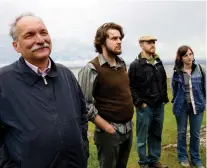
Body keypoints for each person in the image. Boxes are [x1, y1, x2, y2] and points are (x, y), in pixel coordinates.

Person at [0, 13, 88, 168]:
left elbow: (81, 117)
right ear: (16, 46)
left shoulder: (66, 75)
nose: (40, 40)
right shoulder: (3, 81)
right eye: (29, 35)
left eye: (43, 32)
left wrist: (83, 149)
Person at [78, 22, 134, 168]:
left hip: (128, 129)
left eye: (120, 38)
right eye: (114, 38)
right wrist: (108, 128)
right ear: (102, 42)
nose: (119, 41)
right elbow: (84, 104)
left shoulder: (122, 64)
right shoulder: (92, 68)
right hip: (109, 133)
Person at [128, 36, 169, 168]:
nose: (153, 45)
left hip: (159, 105)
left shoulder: (158, 62)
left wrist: (163, 98)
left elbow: (162, 81)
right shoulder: (136, 65)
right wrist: (140, 103)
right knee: (142, 136)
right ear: (141, 45)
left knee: (156, 134)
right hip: (145, 107)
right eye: (149, 42)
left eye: (154, 42)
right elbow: (130, 86)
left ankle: (154, 160)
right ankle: (143, 163)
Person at [171, 45, 206, 168]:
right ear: (181, 58)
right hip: (181, 107)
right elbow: (174, 90)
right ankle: (183, 157)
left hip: (198, 106)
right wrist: (176, 101)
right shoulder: (176, 72)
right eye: (186, 55)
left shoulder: (201, 69)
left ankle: (196, 158)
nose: (189, 57)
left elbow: (204, 88)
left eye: (191, 54)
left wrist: (203, 102)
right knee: (181, 132)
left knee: (195, 134)